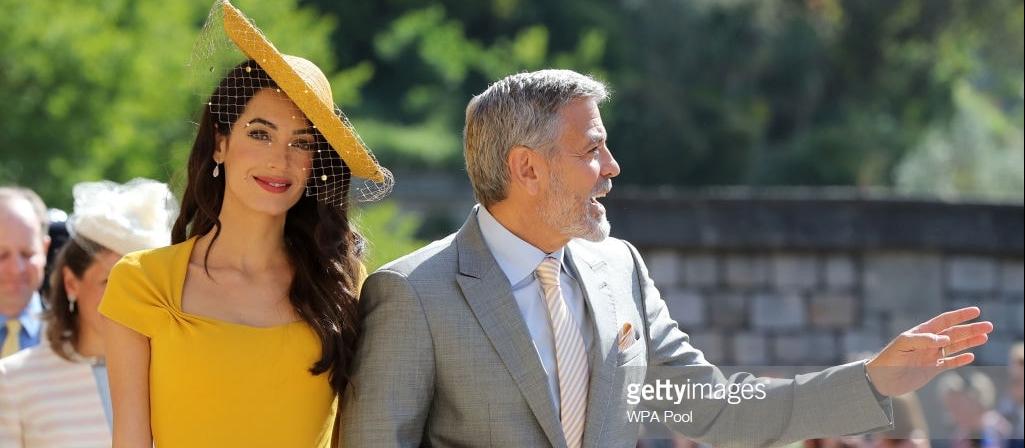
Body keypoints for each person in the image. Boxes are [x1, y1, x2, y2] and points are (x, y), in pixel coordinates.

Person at [340, 69, 995, 447]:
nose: (611, 167)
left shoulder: (617, 268)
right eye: (591, 148)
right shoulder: (413, 294)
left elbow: (710, 411)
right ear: (526, 168)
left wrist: (871, 379)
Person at [98, 1, 391, 447]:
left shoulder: (342, 285)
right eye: (260, 133)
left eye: (302, 143)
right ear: (220, 144)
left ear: (316, 165)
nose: (280, 159)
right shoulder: (143, 283)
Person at [0, 178, 176, 447]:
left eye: (143, 286)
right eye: (111, 282)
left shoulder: (174, 371)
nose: (129, 301)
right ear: (71, 283)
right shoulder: (13, 380)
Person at [0, 187, 49, 358]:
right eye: (2, 255)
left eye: (27, 254)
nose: (16, 269)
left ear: (45, 249)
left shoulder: (73, 341)